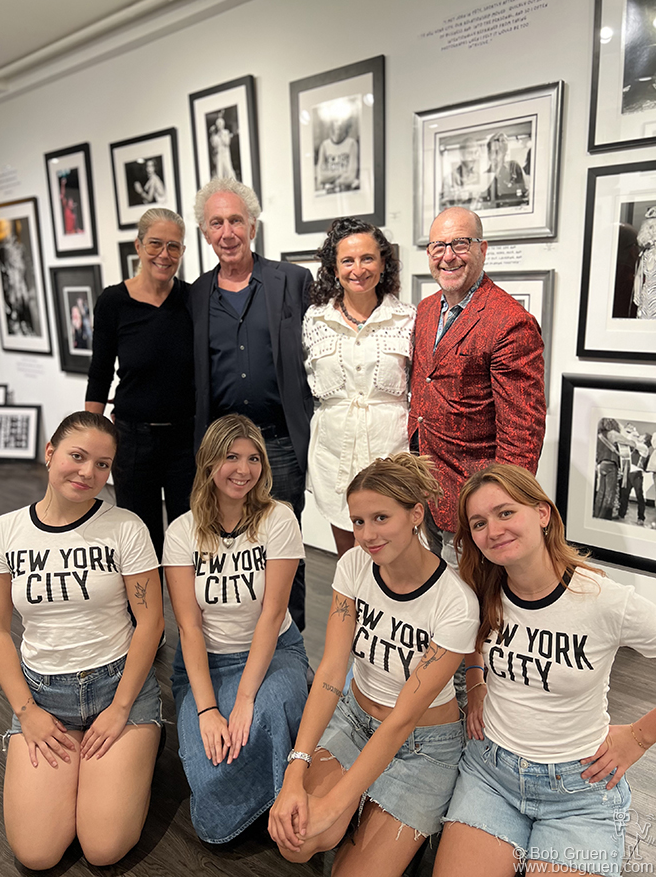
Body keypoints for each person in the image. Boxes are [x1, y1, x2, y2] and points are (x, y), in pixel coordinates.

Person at [433, 462, 656, 877]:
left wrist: (639, 737)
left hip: (581, 789)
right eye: (478, 523)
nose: (493, 530)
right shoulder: (480, 586)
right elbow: (466, 635)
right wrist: (476, 678)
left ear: (542, 513)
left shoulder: (604, 599)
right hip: (491, 774)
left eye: (505, 512)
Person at [269, 454, 479, 877]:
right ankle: (367, 815)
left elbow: (402, 719)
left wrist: (335, 804)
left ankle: (389, 822)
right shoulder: (353, 566)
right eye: (358, 521)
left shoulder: (456, 603)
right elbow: (330, 673)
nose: (366, 534)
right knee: (298, 843)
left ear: (416, 514)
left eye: (381, 517)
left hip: (423, 745)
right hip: (356, 718)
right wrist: (296, 766)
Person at [0, 411, 163, 870]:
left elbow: (151, 622)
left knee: (103, 848)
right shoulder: (4, 533)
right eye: (77, 457)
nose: (88, 473)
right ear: (50, 453)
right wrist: (27, 712)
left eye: (102, 465)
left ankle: (141, 746)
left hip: (118, 689)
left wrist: (121, 708)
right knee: (37, 854)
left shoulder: (126, 527)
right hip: (45, 698)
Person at [163, 414, 308, 844]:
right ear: (209, 462)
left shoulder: (278, 519)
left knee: (260, 719)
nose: (243, 470)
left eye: (253, 458)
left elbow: (272, 612)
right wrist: (209, 710)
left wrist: (245, 699)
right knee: (211, 767)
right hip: (206, 661)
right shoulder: (181, 532)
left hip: (274, 650)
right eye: (231, 457)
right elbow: (188, 627)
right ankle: (260, 792)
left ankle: (286, 800)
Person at [191, 177, 313, 631]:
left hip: (278, 442)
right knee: (230, 549)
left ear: (253, 225)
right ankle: (237, 638)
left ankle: (291, 641)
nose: (228, 232)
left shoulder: (293, 281)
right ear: (205, 233)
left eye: (236, 220)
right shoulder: (197, 295)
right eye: (216, 222)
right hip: (220, 446)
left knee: (285, 547)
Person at [408, 206, 546, 555]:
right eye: (438, 246)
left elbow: (522, 431)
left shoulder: (510, 323)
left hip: (474, 503)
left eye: (461, 244)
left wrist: (502, 509)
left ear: (483, 249)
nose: (448, 256)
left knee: (474, 602)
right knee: (437, 597)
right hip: (426, 491)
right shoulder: (425, 310)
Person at [85, 208, 195, 567]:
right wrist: (90, 437)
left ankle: (191, 624)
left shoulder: (192, 300)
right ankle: (147, 623)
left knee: (188, 538)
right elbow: (100, 373)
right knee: (140, 541)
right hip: (133, 442)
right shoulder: (113, 302)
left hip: (186, 441)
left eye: (174, 247)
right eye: (155, 244)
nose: (164, 255)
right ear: (138, 245)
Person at [303, 217, 415, 558]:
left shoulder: (408, 319)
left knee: (392, 559)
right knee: (349, 560)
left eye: (367, 258)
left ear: (383, 263)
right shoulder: (314, 320)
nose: (358, 269)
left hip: (390, 454)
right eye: (347, 260)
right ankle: (350, 612)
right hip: (334, 458)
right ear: (334, 269)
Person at [479, 133, 528, 209]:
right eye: (493, 152)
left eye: (499, 151)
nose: (496, 156)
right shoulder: (486, 175)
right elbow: (482, 201)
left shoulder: (514, 167)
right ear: (489, 155)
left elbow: (526, 194)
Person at [316, 117, 359, 193]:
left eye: (342, 121)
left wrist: (332, 181)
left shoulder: (351, 144)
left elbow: (351, 177)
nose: (339, 124)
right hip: (328, 194)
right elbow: (321, 177)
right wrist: (342, 173)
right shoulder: (324, 145)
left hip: (347, 192)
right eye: (336, 121)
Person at [440, 136, 484, 209]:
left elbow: (483, 205)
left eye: (475, 153)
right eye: (470, 153)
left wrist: (476, 200)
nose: (473, 157)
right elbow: (443, 207)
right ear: (462, 154)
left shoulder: (479, 178)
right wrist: (457, 198)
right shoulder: (449, 178)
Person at [210, 114, 237, 180]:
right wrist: (213, 135)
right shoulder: (216, 135)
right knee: (220, 170)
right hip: (219, 154)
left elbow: (227, 142)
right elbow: (214, 145)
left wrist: (221, 136)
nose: (219, 125)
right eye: (218, 124)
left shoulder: (226, 132)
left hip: (225, 153)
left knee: (228, 168)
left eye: (220, 123)